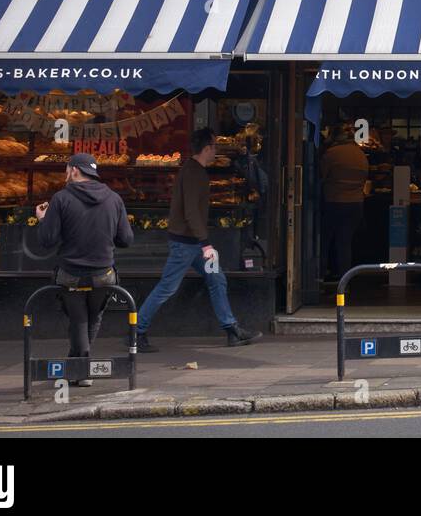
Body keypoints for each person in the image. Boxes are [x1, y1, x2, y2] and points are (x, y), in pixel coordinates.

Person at [135, 128, 261, 351]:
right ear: (206, 149)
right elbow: (191, 211)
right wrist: (205, 243)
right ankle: (136, 331)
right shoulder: (193, 173)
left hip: (192, 243)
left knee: (217, 280)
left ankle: (231, 329)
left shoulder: (195, 171)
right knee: (167, 287)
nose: (216, 151)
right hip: (186, 244)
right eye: (214, 146)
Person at [35, 152, 134, 385]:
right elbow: (126, 240)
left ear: (75, 171)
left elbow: (47, 240)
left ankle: (81, 368)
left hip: (71, 274)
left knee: (79, 320)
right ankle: (78, 367)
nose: (65, 174)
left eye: (66, 169)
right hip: (104, 274)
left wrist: (42, 219)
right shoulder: (114, 199)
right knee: (93, 316)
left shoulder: (61, 199)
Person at [320, 122, 369, 282]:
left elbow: (321, 176)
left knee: (325, 240)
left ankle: (320, 275)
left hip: (334, 201)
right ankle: (344, 279)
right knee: (345, 242)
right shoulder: (360, 154)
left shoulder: (331, 153)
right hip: (355, 204)